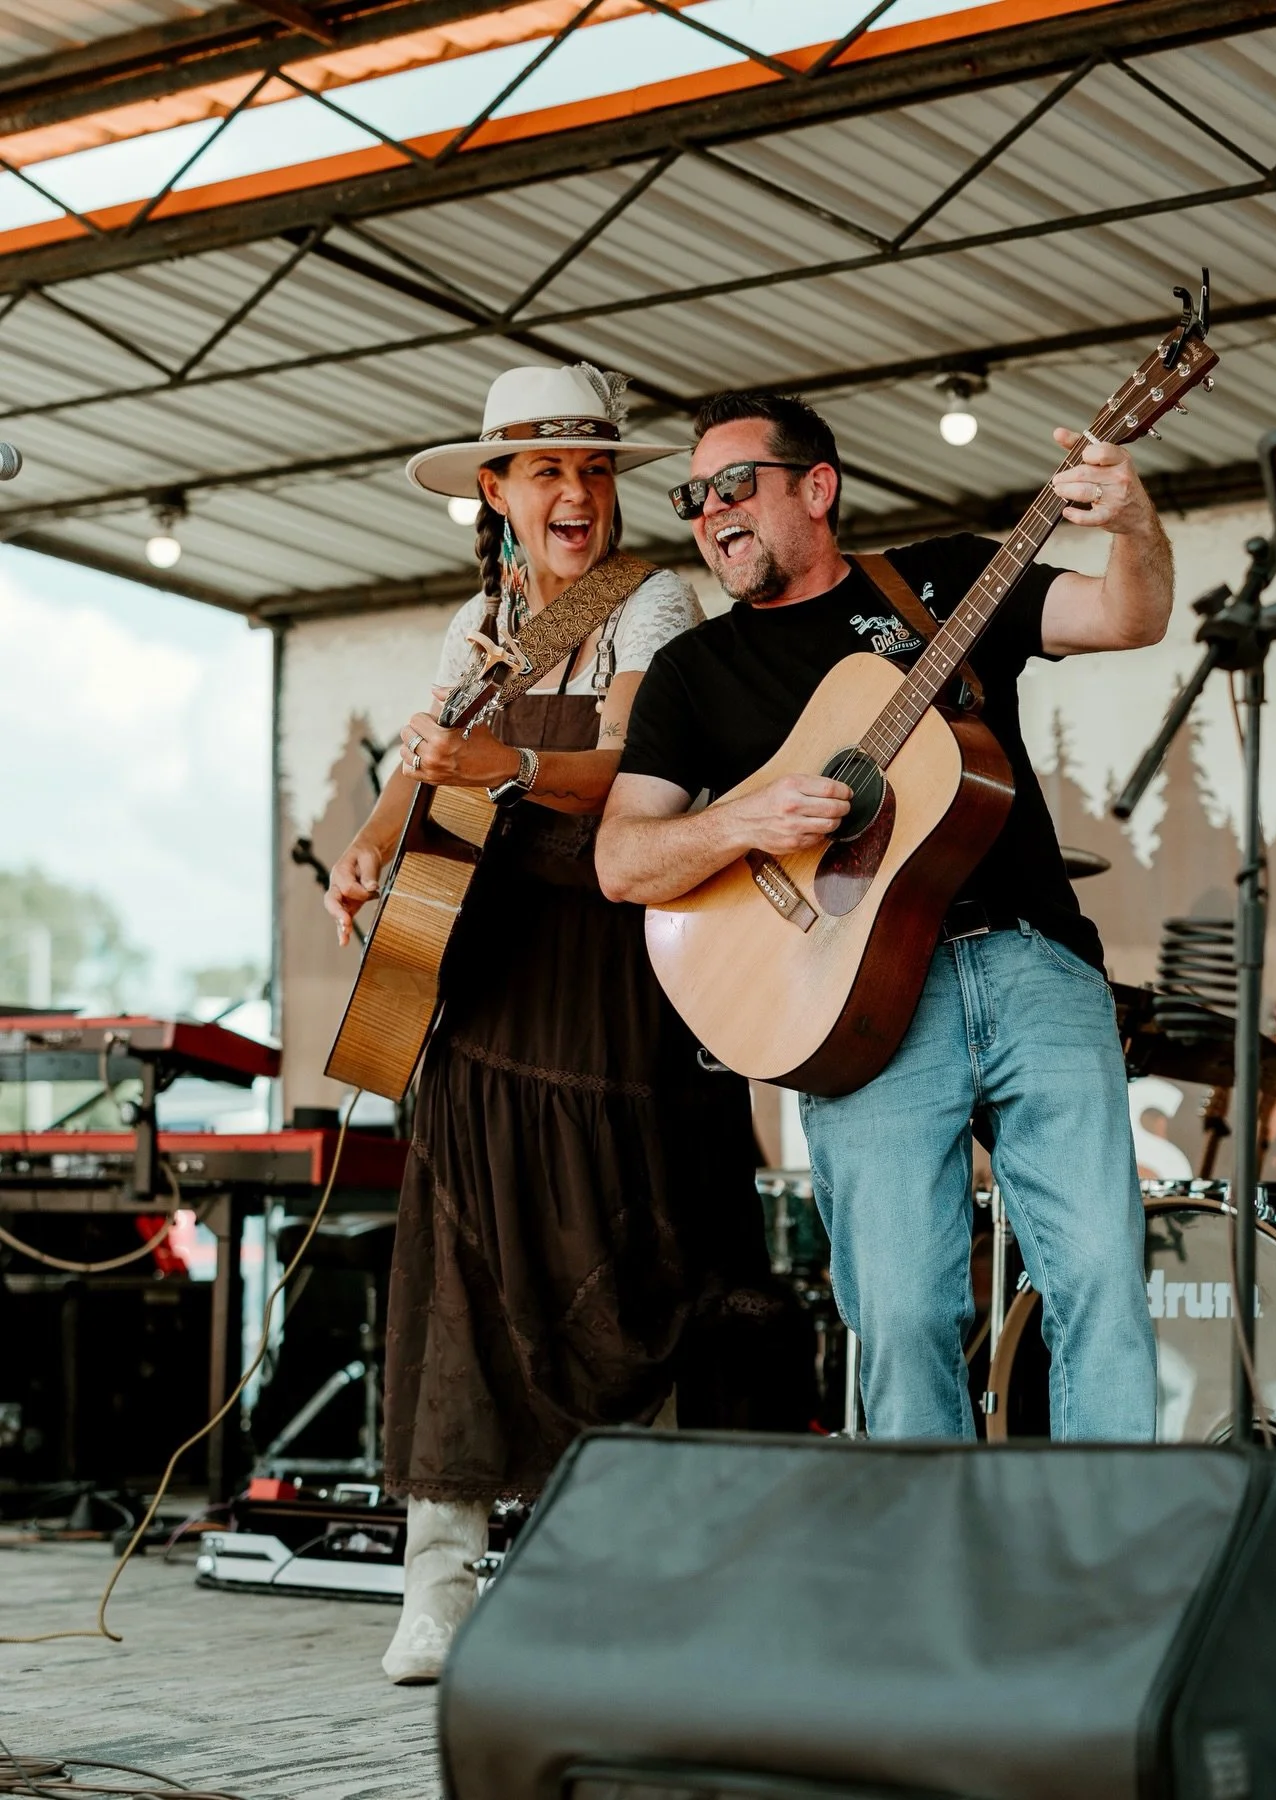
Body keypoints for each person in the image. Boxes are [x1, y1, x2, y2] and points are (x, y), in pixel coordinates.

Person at [595, 389, 1167, 1445]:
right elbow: (624, 860)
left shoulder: (942, 581)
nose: (708, 509)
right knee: (900, 1317)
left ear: (818, 488)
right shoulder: (692, 675)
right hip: (852, 1006)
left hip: (1032, 961)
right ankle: (934, 1586)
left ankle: (1114, 1575)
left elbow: (1128, 617)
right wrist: (744, 822)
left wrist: (1133, 525)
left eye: (735, 484)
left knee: (1100, 1280)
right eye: (691, 495)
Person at [325, 364, 766, 1684]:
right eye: (546, 471)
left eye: (593, 468)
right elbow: (424, 786)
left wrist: (503, 765)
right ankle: (439, 1582)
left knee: (622, 1258)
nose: (576, 492)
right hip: (477, 979)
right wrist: (363, 853)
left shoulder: (655, 601)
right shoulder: (477, 622)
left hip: (609, 972)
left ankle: (637, 1573)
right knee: (451, 1262)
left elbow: (636, 770)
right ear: (495, 492)